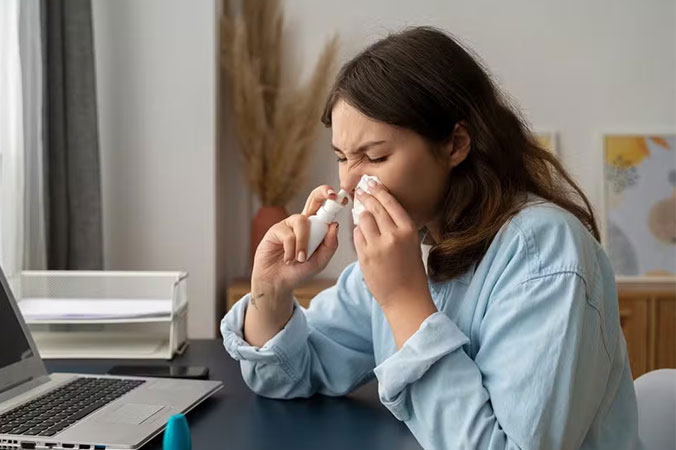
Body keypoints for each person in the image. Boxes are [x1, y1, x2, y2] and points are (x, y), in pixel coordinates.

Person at [221, 26, 640, 449]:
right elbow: (286, 374)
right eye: (342, 158)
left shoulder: (544, 255)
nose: (349, 184)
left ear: (456, 143)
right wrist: (270, 290)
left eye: (376, 156)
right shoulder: (413, 243)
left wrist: (404, 301)